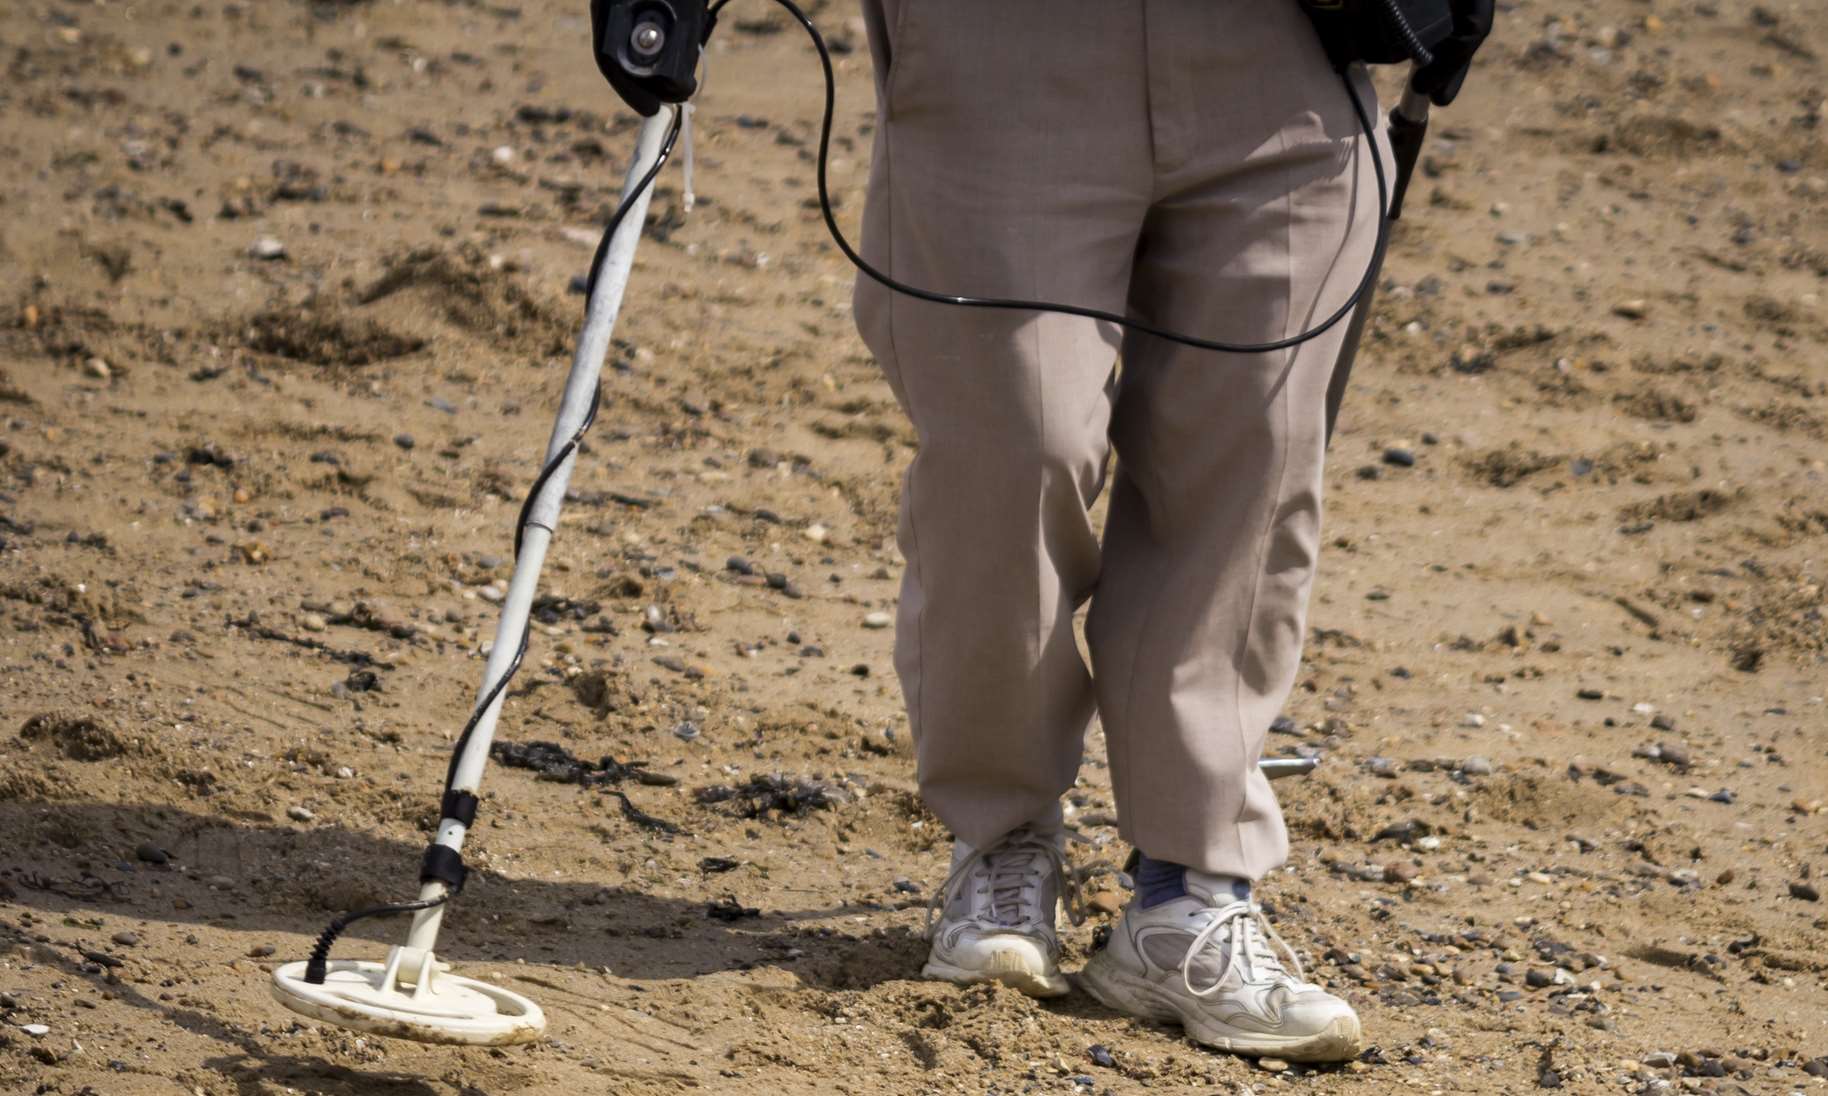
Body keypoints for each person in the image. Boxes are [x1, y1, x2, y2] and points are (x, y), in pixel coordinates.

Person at [850, 0, 1489, 1062]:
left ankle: (1187, 891)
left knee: (1251, 465)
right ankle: (1003, 840)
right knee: (1014, 448)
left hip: (1290, 50)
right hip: (999, 47)